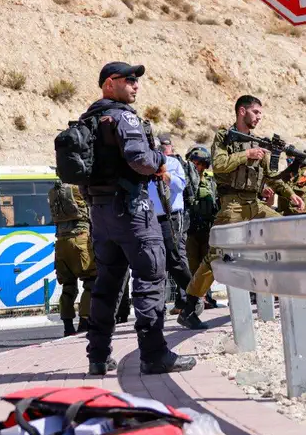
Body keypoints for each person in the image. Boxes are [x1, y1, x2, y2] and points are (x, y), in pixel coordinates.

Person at [79, 62, 196, 376]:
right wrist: (161, 159)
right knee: (150, 279)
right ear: (110, 83)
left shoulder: (88, 119)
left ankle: (98, 357)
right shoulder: (124, 117)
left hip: (101, 213)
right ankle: (154, 355)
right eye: (129, 79)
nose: (135, 85)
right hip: (132, 212)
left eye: (136, 80)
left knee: (106, 286)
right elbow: (141, 160)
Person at [183, 95, 301, 304]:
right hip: (232, 205)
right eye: (256, 112)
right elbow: (219, 164)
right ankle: (191, 303)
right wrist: (247, 155)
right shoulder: (224, 136)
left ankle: (291, 288)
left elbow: (271, 177)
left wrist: (290, 194)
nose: (259, 117)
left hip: (255, 204)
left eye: (261, 113)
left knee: (287, 230)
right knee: (217, 253)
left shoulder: (258, 143)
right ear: (242, 111)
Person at [151, 133, 205, 330]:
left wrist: (164, 174)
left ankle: (193, 299)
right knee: (154, 264)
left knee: (175, 260)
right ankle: (156, 313)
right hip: (149, 218)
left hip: (171, 218)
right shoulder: (143, 166)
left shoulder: (173, 163)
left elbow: (180, 185)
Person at [48, 178, 95, 337]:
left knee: (68, 286)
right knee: (91, 282)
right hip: (80, 239)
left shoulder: (53, 192)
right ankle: (84, 322)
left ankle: (68, 325)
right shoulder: (79, 189)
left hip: (61, 242)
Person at [185, 145, 218, 309]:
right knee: (191, 264)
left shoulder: (211, 180)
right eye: (195, 163)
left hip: (207, 228)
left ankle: (206, 297)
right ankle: (192, 299)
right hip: (189, 229)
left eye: (201, 163)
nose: (198, 167)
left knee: (207, 265)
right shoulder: (184, 177)